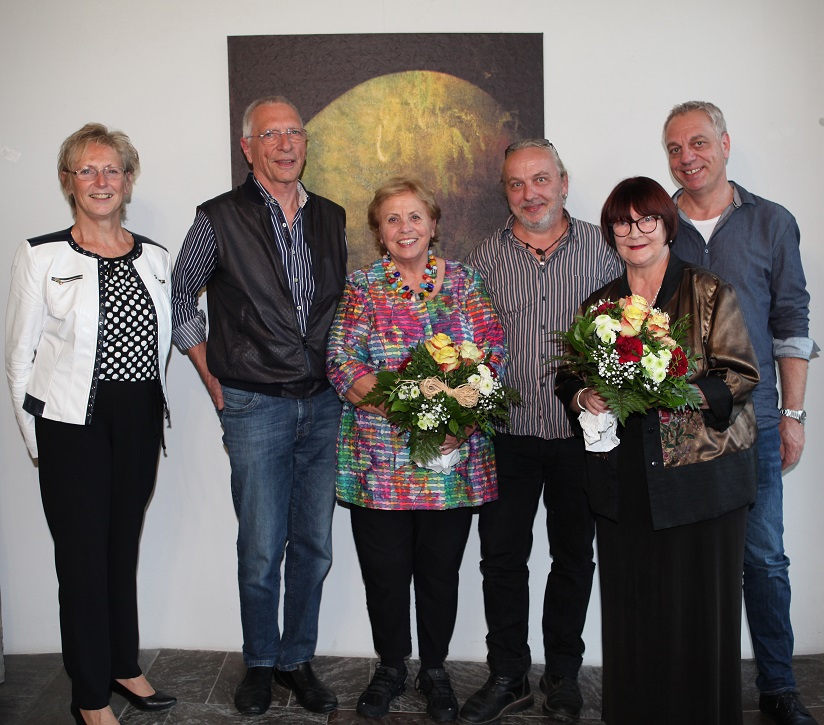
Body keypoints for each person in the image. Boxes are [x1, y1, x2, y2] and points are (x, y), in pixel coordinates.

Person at [557, 176, 760, 725]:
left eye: (646, 219)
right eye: (622, 223)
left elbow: (740, 377)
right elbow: (568, 376)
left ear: (667, 226)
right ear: (611, 235)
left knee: (700, 616)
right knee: (635, 613)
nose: (635, 232)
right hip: (625, 485)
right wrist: (584, 392)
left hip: (702, 482)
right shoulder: (600, 305)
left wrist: (671, 391)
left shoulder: (709, 291)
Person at [171, 96, 346, 716]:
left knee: (314, 546)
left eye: (293, 132)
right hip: (254, 406)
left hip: (324, 405)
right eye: (270, 134)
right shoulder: (218, 218)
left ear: (305, 142)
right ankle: (260, 662)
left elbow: (338, 310)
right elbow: (180, 298)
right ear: (248, 147)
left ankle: (297, 659)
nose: (284, 143)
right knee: (262, 546)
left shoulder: (331, 216)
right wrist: (210, 375)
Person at [5, 124, 176, 725]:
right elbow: (18, 357)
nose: (101, 181)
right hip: (70, 424)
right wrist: (39, 441)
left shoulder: (154, 255)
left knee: (119, 546)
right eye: (88, 170)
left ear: (129, 181)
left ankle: (123, 664)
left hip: (136, 418)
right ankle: (88, 694)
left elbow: (163, 342)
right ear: (67, 181)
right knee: (81, 557)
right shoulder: (41, 254)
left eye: (113, 170)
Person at [326, 177, 505, 722]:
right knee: (383, 575)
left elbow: (492, 354)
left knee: (438, 573)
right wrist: (413, 406)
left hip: (448, 462)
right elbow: (341, 361)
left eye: (414, 217)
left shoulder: (467, 283)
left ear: (433, 224)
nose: (405, 228)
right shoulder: (363, 286)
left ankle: (434, 670)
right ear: (380, 233)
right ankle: (390, 668)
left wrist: (455, 416)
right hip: (379, 466)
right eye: (392, 220)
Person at [663, 101, 818, 725]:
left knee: (764, 558)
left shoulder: (772, 223)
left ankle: (779, 689)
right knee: (687, 558)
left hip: (754, 417)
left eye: (698, 142)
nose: (687, 157)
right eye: (675, 148)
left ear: (725, 143)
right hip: (673, 421)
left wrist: (796, 414)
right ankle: (697, 685)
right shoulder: (654, 223)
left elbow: (792, 322)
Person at [460, 139, 623, 724]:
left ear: (563, 181)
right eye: (516, 184)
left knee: (575, 557)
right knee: (502, 559)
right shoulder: (485, 259)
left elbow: (630, 337)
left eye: (540, 180)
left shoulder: (605, 252)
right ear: (506, 191)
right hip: (508, 436)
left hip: (584, 435)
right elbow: (467, 349)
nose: (530, 194)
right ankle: (508, 674)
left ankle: (562, 674)